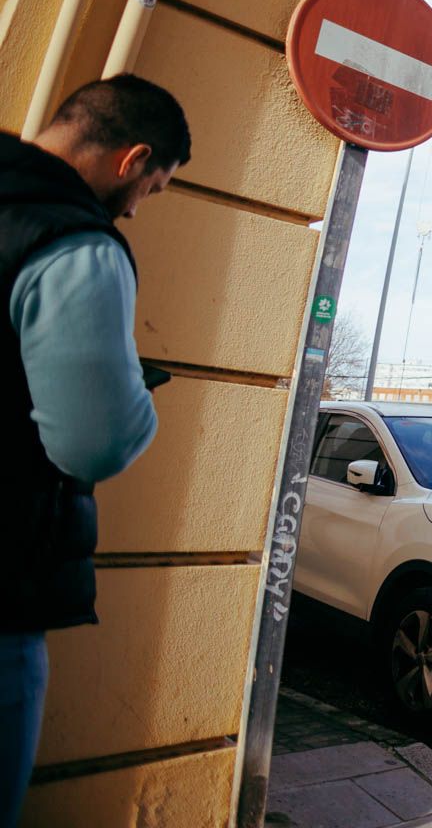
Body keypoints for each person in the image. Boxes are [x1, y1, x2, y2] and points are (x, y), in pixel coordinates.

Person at [1, 76, 189, 826]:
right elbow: (96, 442)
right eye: (154, 184)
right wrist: (131, 392)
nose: (140, 206)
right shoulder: (74, 242)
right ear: (132, 157)